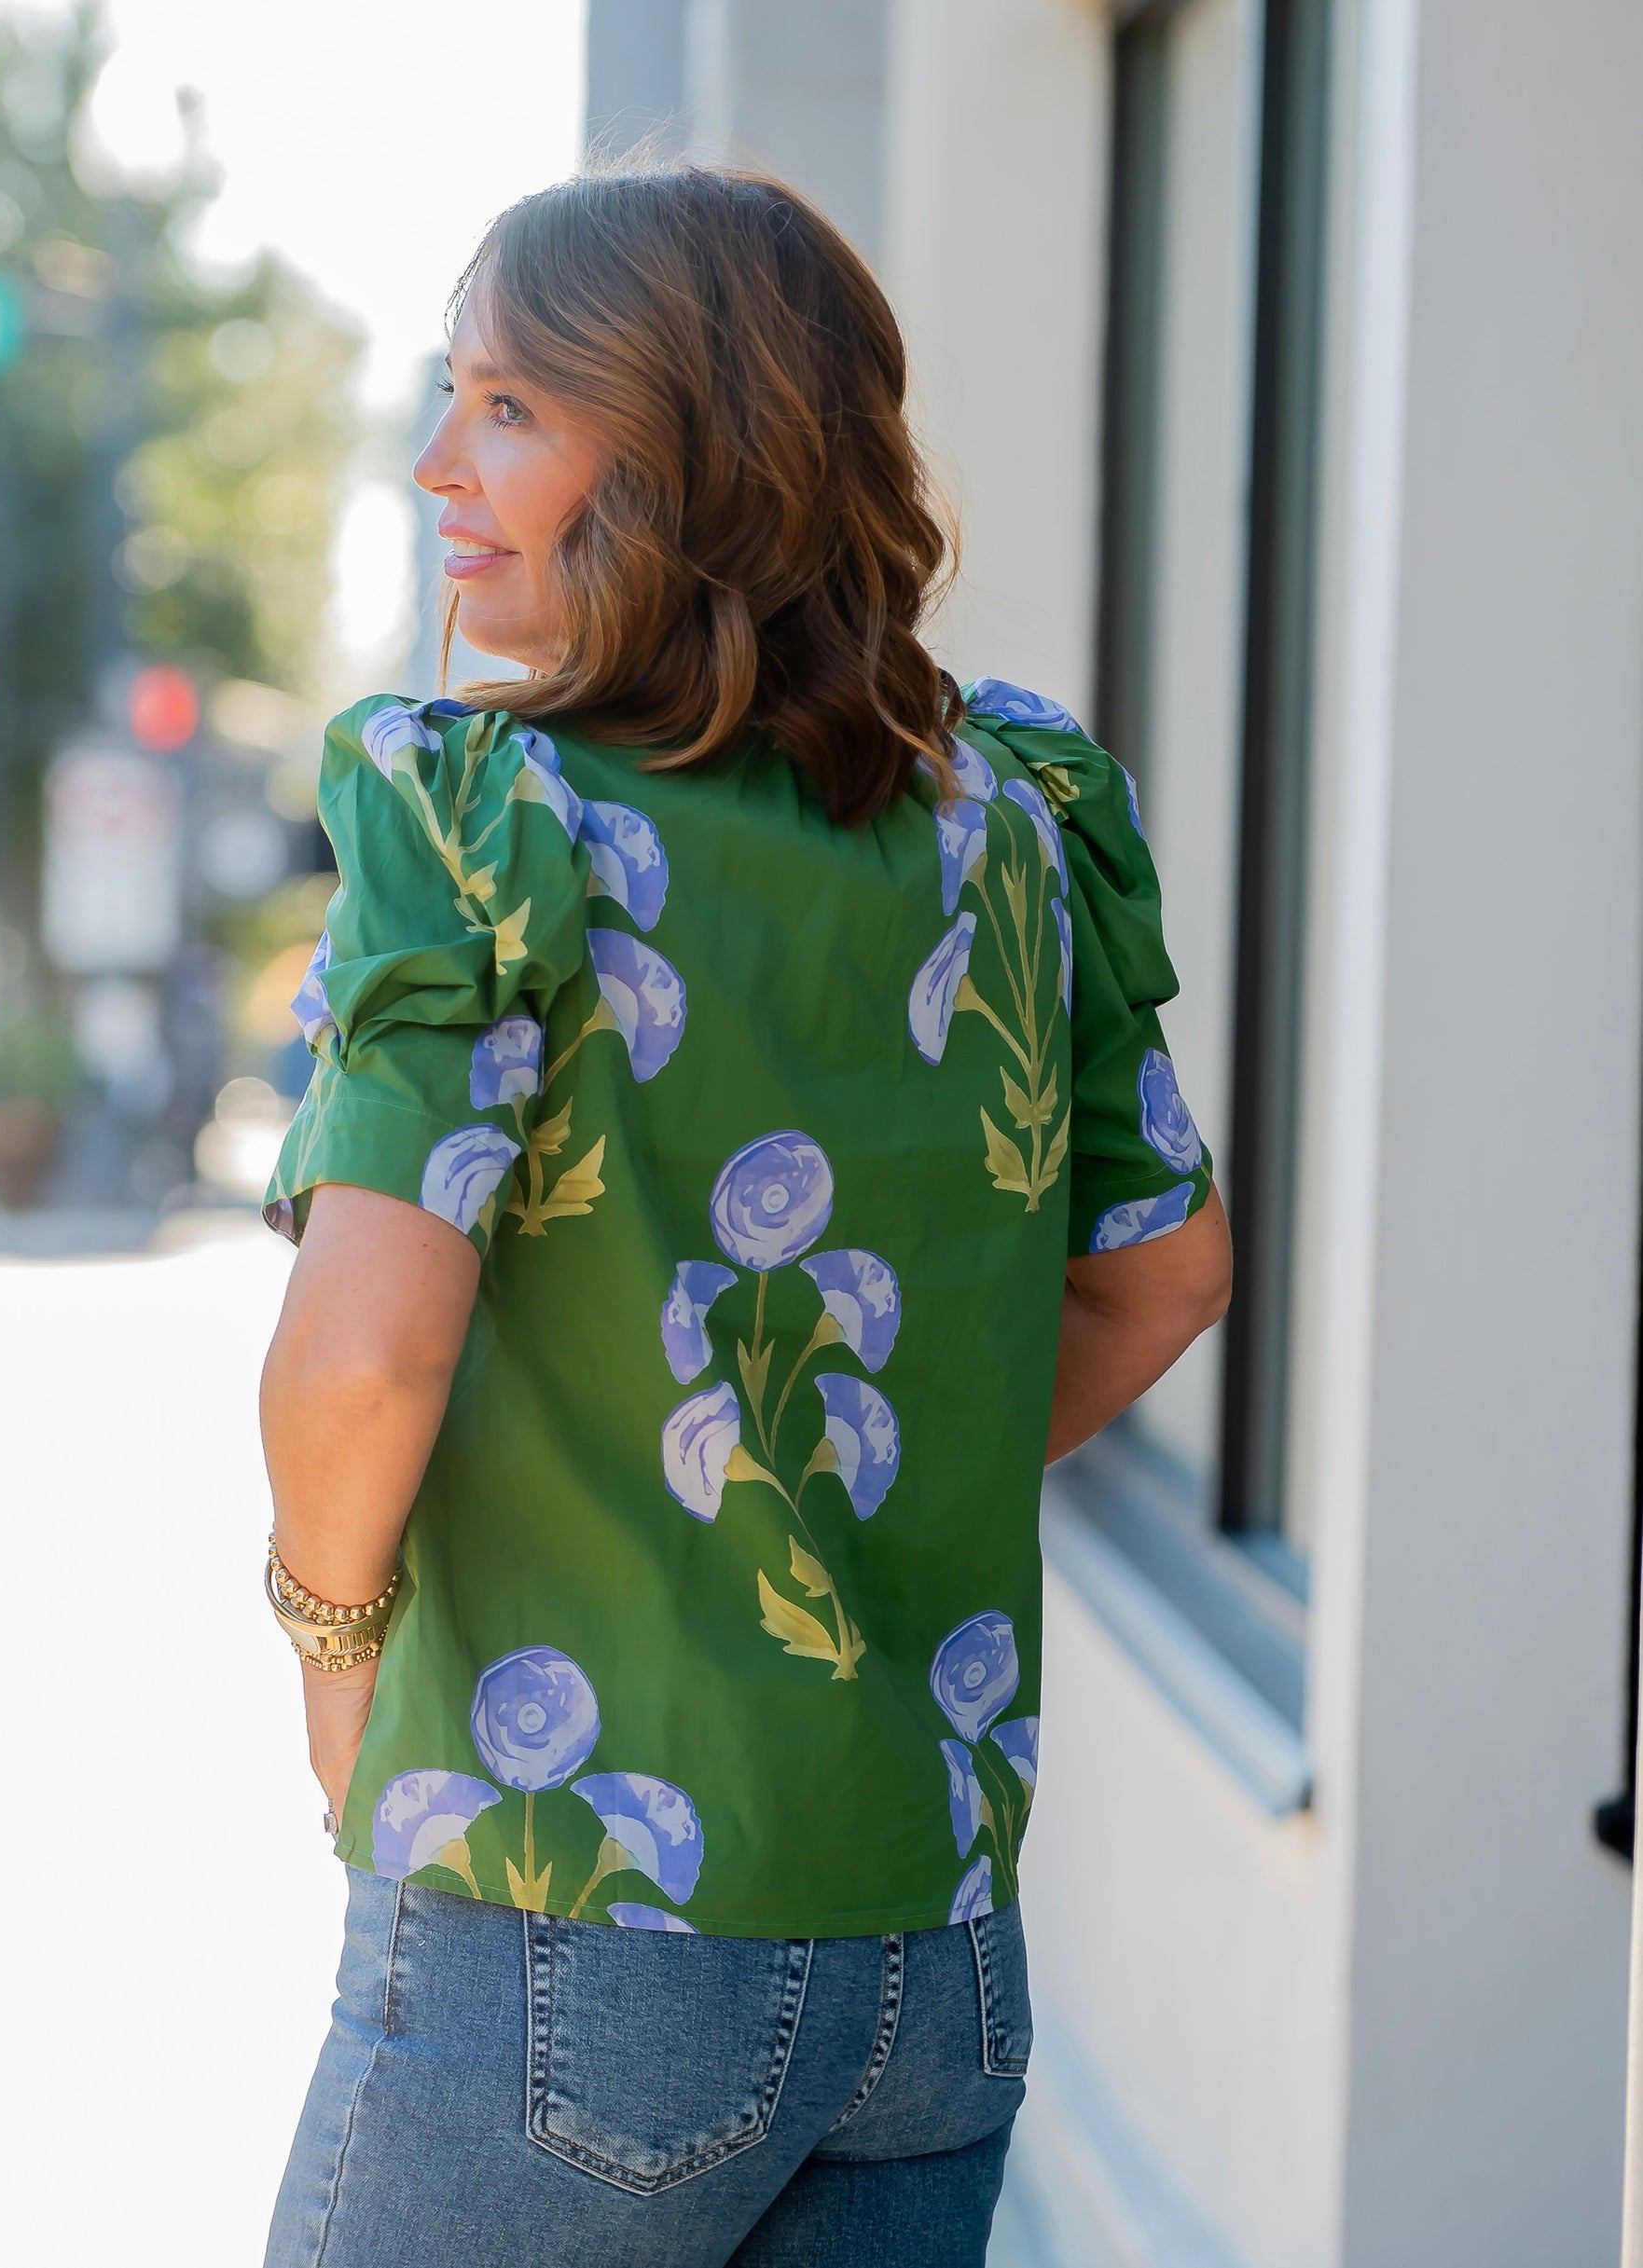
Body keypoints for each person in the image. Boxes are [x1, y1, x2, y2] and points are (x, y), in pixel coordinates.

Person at [257, 162, 1230, 2268]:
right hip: (931, 1961)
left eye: (512, 405)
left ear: (696, 450)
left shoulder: (478, 814)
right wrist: (813, 1499)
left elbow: (364, 1353)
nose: (438, 466)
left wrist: (334, 1649)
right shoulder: (1019, 820)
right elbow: (1163, 1277)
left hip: (567, 1926)